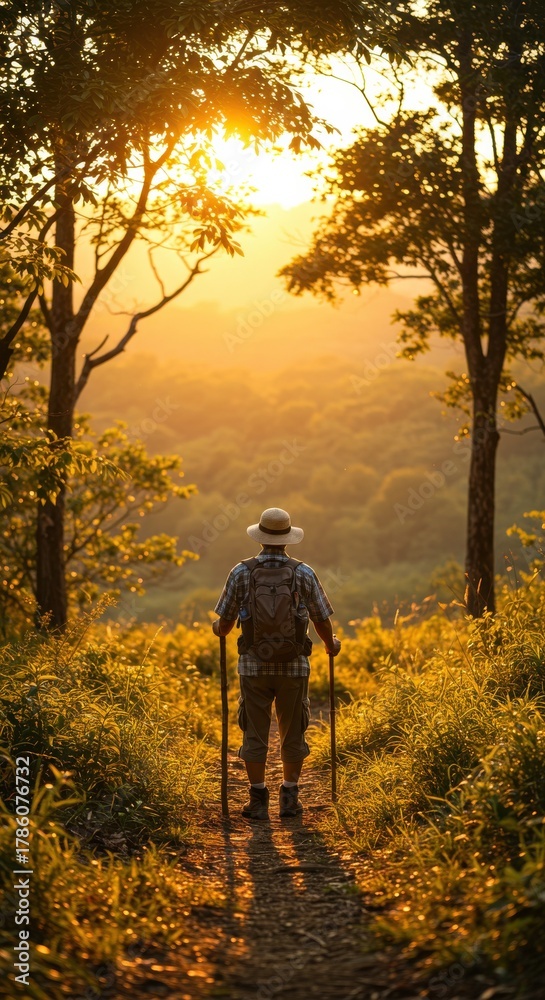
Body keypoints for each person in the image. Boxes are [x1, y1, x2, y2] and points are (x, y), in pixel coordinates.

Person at [212, 506, 341, 820]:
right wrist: (330, 644)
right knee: (293, 732)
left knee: (254, 733)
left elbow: (225, 624)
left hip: (253, 667)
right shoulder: (304, 572)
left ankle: (257, 800)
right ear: (287, 539)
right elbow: (321, 618)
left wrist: (219, 629)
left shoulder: (241, 571)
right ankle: (289, 798)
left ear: (260, 536)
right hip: (294, 667)